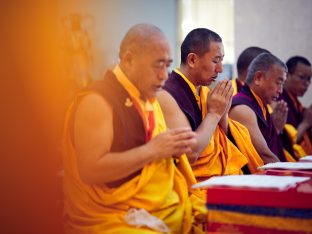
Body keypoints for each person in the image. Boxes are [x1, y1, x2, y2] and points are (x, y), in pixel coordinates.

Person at [62, 23, 200, 233]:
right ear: (128, 60)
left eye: (168, 65)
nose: (164, 75)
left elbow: (153, 156)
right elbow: (90, 169)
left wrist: (174, 149)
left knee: (218, 209)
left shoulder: (146, 97)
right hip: (111, 214)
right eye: (158, 64)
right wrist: (154, 150)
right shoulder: (97, 101)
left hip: (158, 203)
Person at [157, 28, 263, 182]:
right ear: (192, 60)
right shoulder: (168, 94)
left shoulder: (206, 93)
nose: (220, 69)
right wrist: (214, 114)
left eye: (221, 60)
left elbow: (226, 141)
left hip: (221, 178)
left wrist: (223, 114)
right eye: (215, 60)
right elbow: (189, 153)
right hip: (194, 187)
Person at [230, 53, 289, 163]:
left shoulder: (260, 105)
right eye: (278, 83)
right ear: (258, 78)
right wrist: (288, 174)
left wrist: (276, 130)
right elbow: (264, 155)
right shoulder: (242, 108)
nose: (280, 91)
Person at [279, 56, 312, 155]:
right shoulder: (280, 102)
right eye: (302, 77)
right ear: (287, 76)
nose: (306, 84)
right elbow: (286, 143)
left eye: (309, 79)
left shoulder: (297, 104)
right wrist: (306, 123)